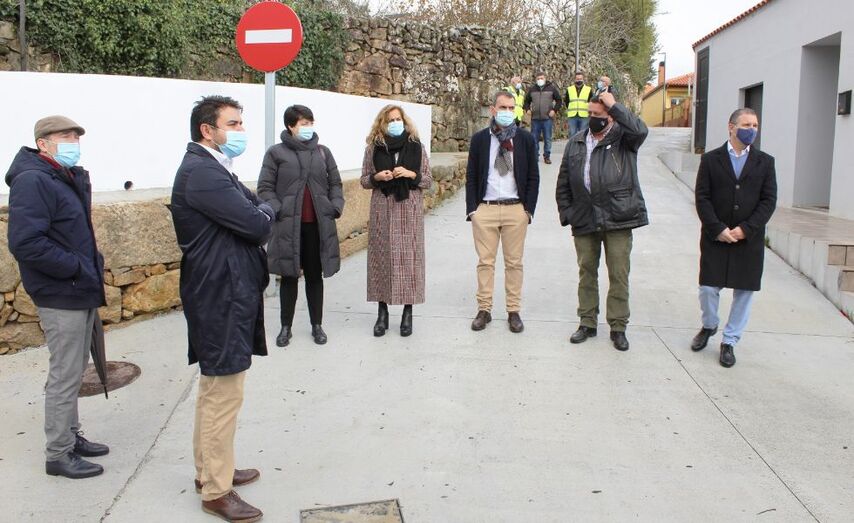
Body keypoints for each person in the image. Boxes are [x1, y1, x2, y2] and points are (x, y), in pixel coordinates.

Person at [170, 95, 272, 521]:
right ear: (207, 130)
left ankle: (211, 470)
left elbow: (254, 207)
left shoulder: (214, 167)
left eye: (241, 123)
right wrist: (263, 212)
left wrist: (259, 210)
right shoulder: (203, 173)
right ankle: (216, 489)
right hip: (220, 294)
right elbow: (257, 222)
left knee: (215, 388)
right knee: (223, 393)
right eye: (233, 124)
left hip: (224, 289)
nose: (241, 131)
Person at [6, 115, 109, 479]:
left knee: (75, 368)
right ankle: (59, 453)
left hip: (77, 287)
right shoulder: (33, 180)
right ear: (43, 143)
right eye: (65, 136)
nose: (73, 142)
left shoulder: (61, 176)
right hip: (61, 290)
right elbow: (25, 242)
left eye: (76, 136)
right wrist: (76, 267)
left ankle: (70, 435)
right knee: (65, 373)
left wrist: (88, 265)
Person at [555, 92, 649, 351]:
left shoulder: (624, 139)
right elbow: (563, 182)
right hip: (584, 217)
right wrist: (567, 213)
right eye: (590, 114)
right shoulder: (576, 142)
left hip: (618, 217)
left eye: (598, 114)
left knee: (618, 273)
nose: (593, 118)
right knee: (586, 271)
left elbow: (641, 131)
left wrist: (615, 105)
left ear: (611, 116)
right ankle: (587, 322)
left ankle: (618, 326)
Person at [692, 108, 777, 368]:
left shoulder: (765, 162)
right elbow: (702, 197)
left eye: (755, 125)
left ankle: (729, 341)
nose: (751, 130)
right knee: (708, 289)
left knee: (744, 292)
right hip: (716, 237)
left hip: (748, 241)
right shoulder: (711, 160)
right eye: (746, 125)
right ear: (731, 127)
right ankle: (709, 325)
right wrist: (717, 228)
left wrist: (746, 229)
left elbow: (768, 201)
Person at [257, 105, 344, 347]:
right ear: (290, 126)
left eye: (310, 123)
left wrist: (334, 206)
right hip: (288, 227)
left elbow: (335, 184)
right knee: (289, 277)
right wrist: (279, 210)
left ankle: (317, 325)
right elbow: (265, 188)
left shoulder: (323, 152)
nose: (308, 128)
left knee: (315, 277)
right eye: (303, 123)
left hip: (317, 226)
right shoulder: (276, 153)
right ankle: (286, 327)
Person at [466, 91, 540, 333]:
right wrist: (472, 210)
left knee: (514, 263)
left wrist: (527, 210)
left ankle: (513, 311)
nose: (507, 112)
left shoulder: (525, 139)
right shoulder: (480, 140)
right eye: (503, 107)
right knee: (485, 263)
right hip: (485, 209)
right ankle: (484, 310)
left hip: (515, 209)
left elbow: (533, 176)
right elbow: (471, 175)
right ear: (493, 110)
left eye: (511, 107)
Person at [360, 105, 433, 337]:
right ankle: (382, 313)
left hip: (409, 210)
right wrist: (376, 177)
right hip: (382, 209)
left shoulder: (417, 147)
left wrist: (411, 174)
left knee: (409, 261)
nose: (395, 123)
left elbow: (428, 180)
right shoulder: (373, 148)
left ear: (404, 121)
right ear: (382, 123)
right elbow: (364, 180)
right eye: (390, 120)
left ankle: (407, 313)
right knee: (381, 259)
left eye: (398, 119)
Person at [523, 72, 562, 164]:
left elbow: (559, 100)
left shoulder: (551, 88)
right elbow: (526, 101)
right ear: (536, 80)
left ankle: (547, 156)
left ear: (545, 79)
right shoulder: (532, 89)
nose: (540, 80)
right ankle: (535, 156)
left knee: (547, 139)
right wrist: (527, 109)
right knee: (534, 139)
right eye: (538, 78)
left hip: (547, 119)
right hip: (535, 119)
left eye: (541, 78)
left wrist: (554, 110)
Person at [564, 71, 592, 137]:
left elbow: (591, 102)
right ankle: (573, 144)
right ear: (574, 79)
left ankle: (582, 144)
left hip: (584, 116)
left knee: (583, 135)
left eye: (580, 79)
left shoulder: (588, 89)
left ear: (583, 79)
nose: (579, 80)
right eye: (577, 79)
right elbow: (567, 101)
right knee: (572, 134)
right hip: (572, 116)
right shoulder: (569, 89)